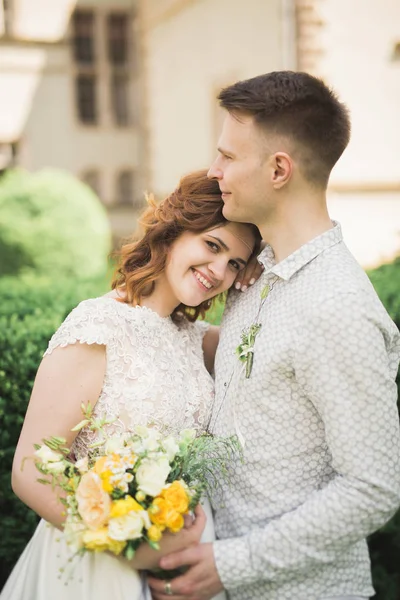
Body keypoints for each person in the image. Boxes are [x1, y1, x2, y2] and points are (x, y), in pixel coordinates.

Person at [148, 71, 400, 600]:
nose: (214, 171)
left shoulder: (338, 307)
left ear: (279, 168)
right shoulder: (256, 271)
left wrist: (233, 564)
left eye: (228, 157)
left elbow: (373, 487)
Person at [0, 169, 261, 600]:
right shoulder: (98, 326)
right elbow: (30, 471)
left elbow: (264, 341)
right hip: (98, 569)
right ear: (173, 232)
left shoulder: (201, 341)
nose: (218, 271)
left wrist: (251, 285)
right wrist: (128, 547)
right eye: (212, 245)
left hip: (185, 572)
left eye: (234, 263)